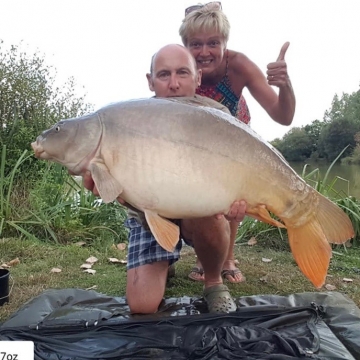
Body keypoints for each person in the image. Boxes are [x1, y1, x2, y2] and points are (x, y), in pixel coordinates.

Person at [81, 44, 246, 314]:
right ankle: (164, 262)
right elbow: (116, 187)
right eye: (163, 74)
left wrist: (239, 202)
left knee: (211, 212)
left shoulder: (217, 120)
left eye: (182, 73)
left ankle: (214, 281)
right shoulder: (130, 121)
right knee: (143, 306)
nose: (173, 84)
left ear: (198, 78)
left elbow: (234, 179)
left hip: (198, 213)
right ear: (150, 81)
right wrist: (108, 185)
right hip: (149, 213)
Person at [179, 2, 296, 283]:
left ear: (225, 42)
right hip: (198, 139)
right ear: (185, 45)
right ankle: (199, 256)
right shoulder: (179, 68)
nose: (204, 52)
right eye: (196, 44)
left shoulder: (239, 65)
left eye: (213, 43)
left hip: (236, 134)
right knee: (203, 195)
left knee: (235, 197)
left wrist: (285, 84)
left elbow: (283, 116)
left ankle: (228, 258)